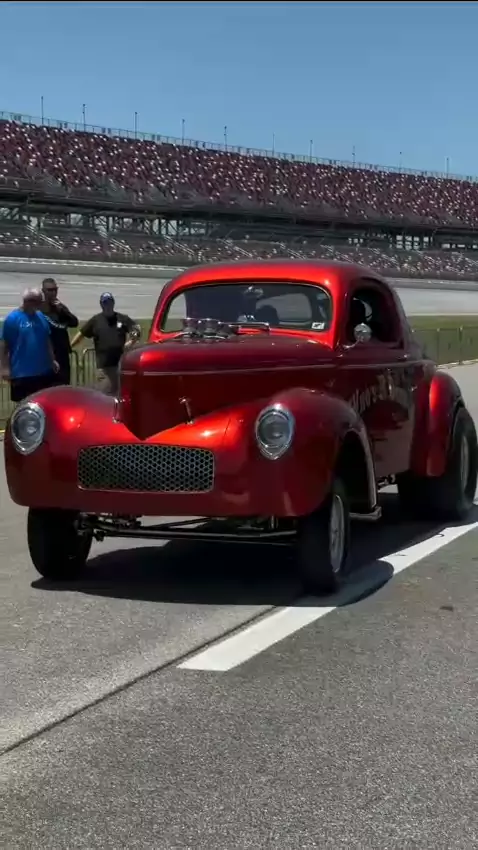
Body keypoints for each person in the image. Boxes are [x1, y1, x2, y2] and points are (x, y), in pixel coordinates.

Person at [71, 292, 140, 395]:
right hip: (104, 368)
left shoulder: (122, 318)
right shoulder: (95, 320)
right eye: (105, 303)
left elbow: (136, 329)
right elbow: (81, 333)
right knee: (105, 395)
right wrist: (70, 346)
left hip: (121, 365)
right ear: (101, 304)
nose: (108, 305)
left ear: (113, 303)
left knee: (121, 395)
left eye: (110, 302)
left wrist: (131, 342)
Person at [0, 288, 59, 403]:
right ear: (29, 302)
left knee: (42, 403)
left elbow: (47, 339)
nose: (41, 305)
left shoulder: (40, 317)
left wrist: (52, 360)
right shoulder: (12, 319)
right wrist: (4, 368)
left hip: (43, 371)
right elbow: (4, 345)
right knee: (24, 405)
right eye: (39, 302)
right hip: (22, 373)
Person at [39, 277, 79, 385]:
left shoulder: (60, 308)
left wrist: (63, 310)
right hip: (46, 354)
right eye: (49, 290)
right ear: (43, 291)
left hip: (62, 353)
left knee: (63, 383)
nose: (53, 293)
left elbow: (74, 322)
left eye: (55, 290)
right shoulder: (39, 309)